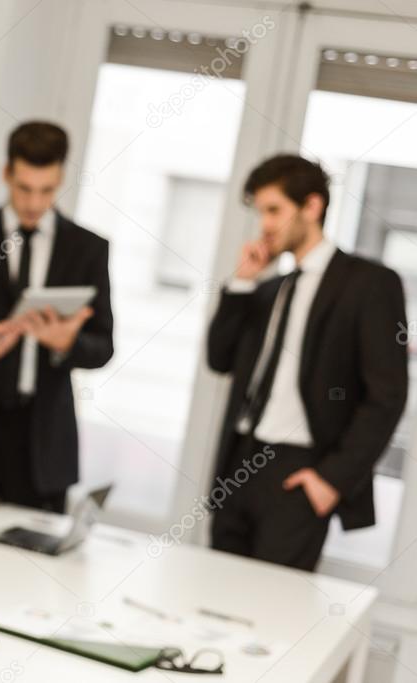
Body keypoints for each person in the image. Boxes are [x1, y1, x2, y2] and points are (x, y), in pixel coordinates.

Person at [207, 153, 407, 571]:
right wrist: (242, 283)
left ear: (311, 207)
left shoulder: (368, 284)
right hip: (239, 463)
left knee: (270, 616)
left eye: (274, 210)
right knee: (215, 600)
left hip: (299, 472)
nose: (265, 224)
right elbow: (219, 359)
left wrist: (331, 480)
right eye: (261, 212)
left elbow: (386, 396)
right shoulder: (268, 289)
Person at [0, 121, 114, 519]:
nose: (34, 203)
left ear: (61, 178)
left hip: (44, 441)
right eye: (24, 189)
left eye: (47, 190)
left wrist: (66, 343)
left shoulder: (88, 249)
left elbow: (104, 347)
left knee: (34, 568)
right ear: (6, 174)